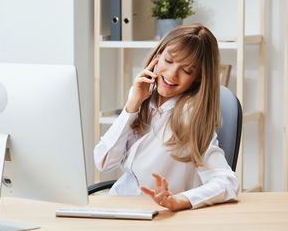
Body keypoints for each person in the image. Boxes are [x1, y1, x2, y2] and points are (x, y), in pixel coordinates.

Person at [94, 23, 239, 211]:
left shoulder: (189, 116)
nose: (172, 75)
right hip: (122, 203)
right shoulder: (143, 96)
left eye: (187, 70)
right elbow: (103, 162)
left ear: (198, 77)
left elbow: (227, 182)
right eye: (169, 61)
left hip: (158, 214)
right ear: (157, 57)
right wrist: (132, 107)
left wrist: (181, 200)